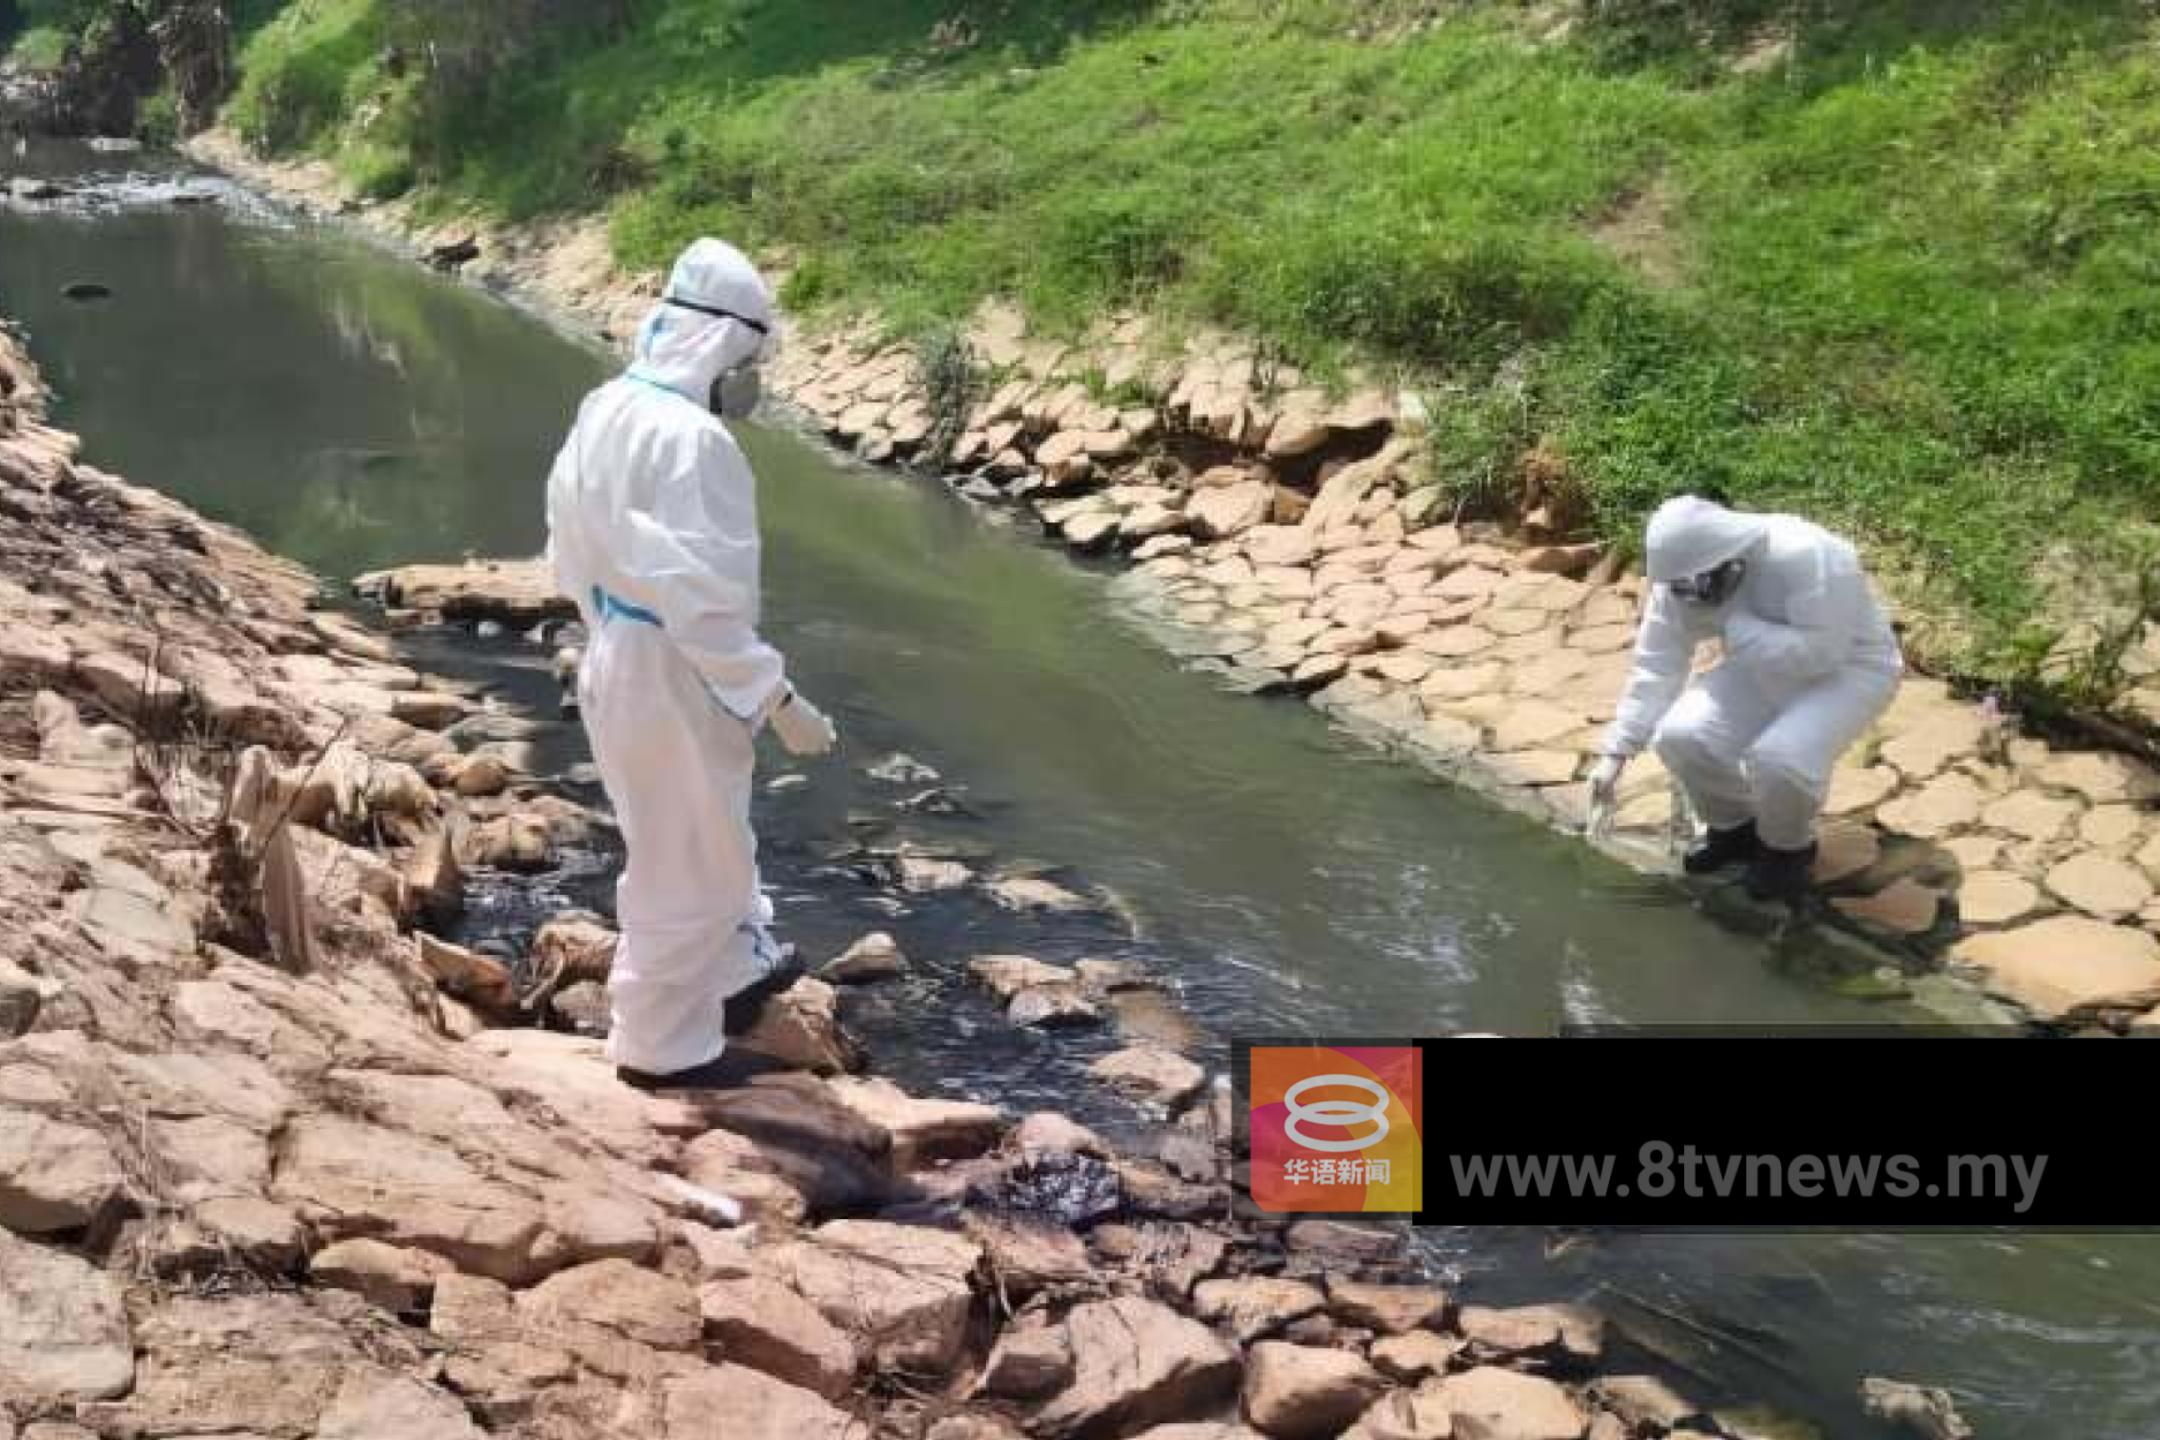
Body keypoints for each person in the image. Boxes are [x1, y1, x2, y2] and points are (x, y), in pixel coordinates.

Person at [545, 237, 838, 1090]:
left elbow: (569, 540)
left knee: (697, 835)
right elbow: (703, 604)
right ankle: (658, 1050)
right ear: (718, 345)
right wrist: (777, 696)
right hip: (673, 671)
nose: (753, 376)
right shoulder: (697, 445)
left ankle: (733, 973)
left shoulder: (607, 404)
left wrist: (601, 623)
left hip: (616, 650)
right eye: (750, 357)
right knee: (686, 862)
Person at [1587, 495, 1902, 902]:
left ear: (1731, 556)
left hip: (1849, 671)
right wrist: (1616, 753)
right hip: (1760, 664)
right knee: (1681, 736)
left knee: (1780, 758)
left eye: (1702, 581)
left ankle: (1788, 850)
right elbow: (1657, 665)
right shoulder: (1680, 586)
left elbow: (1822, 653)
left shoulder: (1809, 555)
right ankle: (1736, 829)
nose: (1693, 595)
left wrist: (1737, 627)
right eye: (1681, 586)